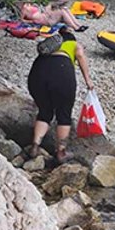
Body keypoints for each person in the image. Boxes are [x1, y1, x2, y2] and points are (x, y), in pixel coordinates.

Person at [27, 27, 95, 162]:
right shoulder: (74, 44)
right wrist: (88, 80)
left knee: (45, 111)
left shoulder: (49, 46)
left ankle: (35, 146)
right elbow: (80, 55)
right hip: (61, 72)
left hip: (37, 74)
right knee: (64, 113)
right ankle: (61, 152)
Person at [20, 1, 88, 32]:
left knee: (65, 8)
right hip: (46, 21)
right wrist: (32, 21)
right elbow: (21, 20)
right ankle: (75, 27)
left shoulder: (29, 4)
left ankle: (78, 25)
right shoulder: (23, 10)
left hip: (47, 16)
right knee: (62, 11)